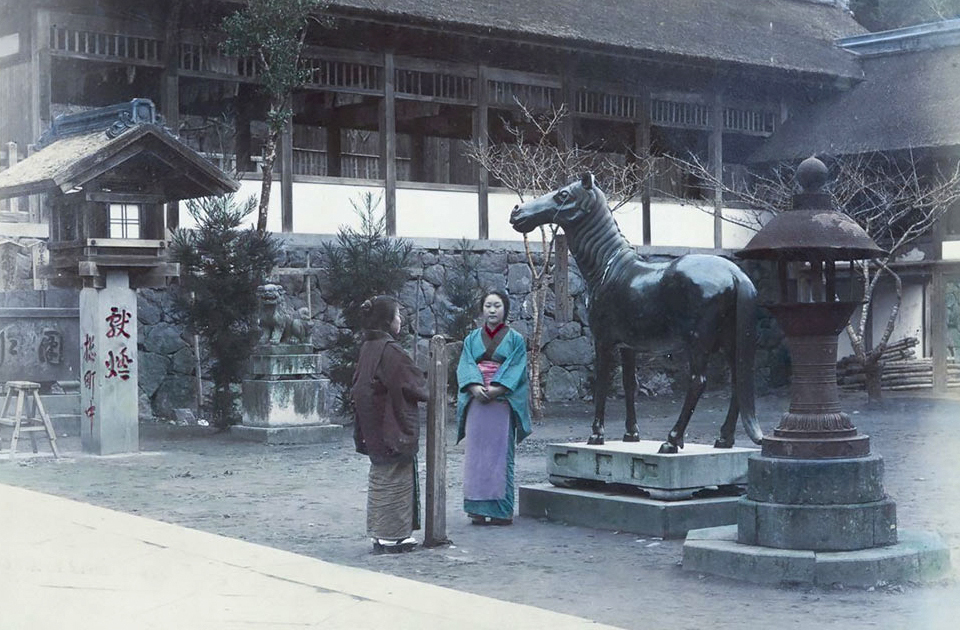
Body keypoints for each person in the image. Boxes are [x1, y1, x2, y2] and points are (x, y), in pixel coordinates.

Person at [351, 296, 428, 553]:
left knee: (380, 474)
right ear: (387, 321)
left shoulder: (368, 347)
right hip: (390, 423)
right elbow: (413, 383)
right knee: (396, 476)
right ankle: (392, 535)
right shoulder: (391, 351)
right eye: (397, 315)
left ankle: (379, 532)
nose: (401, 320)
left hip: (372, 424)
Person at [456, 290, 531, 525]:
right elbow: (466, 364)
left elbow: (517, 367)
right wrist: (474, 386)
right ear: (482, 309)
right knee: (476, 457)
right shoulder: (471, 339)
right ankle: (477, 509)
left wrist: (498, 388)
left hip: (501, 402)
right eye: (488, 305)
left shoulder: (516, 340)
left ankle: (500, 509)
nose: (492, 310)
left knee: (499, 456)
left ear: (505, 309)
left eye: (497, 306)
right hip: (477, 400)